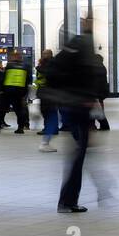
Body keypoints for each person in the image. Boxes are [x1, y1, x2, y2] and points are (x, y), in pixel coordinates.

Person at [44, 34, 102, 214]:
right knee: (78, 157)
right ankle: (67, 202)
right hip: (80, 110)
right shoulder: (83, 57)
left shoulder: (64, 56)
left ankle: (68, 200)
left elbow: (51, 75)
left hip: (68, 108)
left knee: (76, 156)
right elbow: (91, 84)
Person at [0, 51, 30, 134]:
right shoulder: (26, 67)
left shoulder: (9, 66)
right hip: (19, 92)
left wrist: (1, 90)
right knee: (19, 110)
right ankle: (20, 128)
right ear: (21, 58)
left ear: (14, 57)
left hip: (7, 91)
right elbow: (28, 80)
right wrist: (24, 92)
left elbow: (3, 78)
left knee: (2, 110)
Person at [34, 48, 59, 153]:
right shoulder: (45, 65)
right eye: (43, 53)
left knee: (51, 115)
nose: (44, 55)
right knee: (50, 115)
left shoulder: (49, 65)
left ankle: (47, 138)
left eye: (46, 54)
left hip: (49, 93)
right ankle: (46, 140)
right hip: (47, 93)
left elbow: (48, 74)